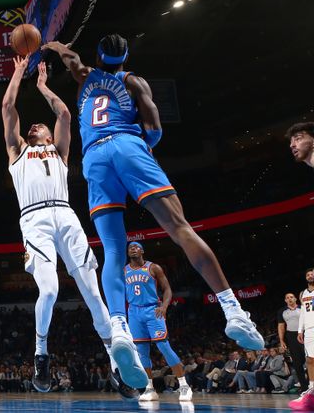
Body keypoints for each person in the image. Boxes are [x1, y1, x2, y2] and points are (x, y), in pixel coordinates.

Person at [44, 36, 263, 387]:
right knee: (180, 228)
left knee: (113, 250)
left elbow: (70, 57)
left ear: (99, 57)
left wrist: (53, 46)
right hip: (127, 147)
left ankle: (118, 329)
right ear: (125, 57)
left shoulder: (85, 76)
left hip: (95, 160)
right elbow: (155, 129)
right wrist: (137, 149)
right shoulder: (133, 81)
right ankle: (232, 310)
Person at [2, 57, 137, 399]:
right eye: (31, 127)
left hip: (66, 217)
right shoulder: (17, 152)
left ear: (48, 134)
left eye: (39, 126)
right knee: (48, 291)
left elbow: (64, 114)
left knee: (94, 295)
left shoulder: (60, 152)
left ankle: (118, 366)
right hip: (34, 219)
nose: (34, 126)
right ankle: (41, 355)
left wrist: (44, 87)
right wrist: (18, 72)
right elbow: (7, 106)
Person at [124, 242, 192, 402]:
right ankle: (149, 389)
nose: (133, 249)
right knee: (141, 352)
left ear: (142, 250)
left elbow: (167, 289)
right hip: (134, 312)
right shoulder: (124, 271)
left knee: (163, 346)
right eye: (130, 248)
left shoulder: (153, 268)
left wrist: (164, 306)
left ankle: (184, 385)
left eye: (136, 246)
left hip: (152, 310)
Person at [290, 268, 314, 410]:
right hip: (309, 330)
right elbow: (303, 314)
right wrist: (300, 330)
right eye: (308, 274)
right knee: (310, 360)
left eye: (313, 274)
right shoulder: (302, 294)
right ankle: (312, 389)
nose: (310, 275)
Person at [279, 292, 307, 390]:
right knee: (297, 363)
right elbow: (281, 326)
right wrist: (281, 340)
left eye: (291, 297)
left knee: (309, 360)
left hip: (305, 334)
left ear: (295, 299)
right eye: (287, 298)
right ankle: (304, 388)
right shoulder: (282, 311)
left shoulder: (302, 308)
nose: (289, 299)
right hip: (291, 337)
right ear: (285, 300)